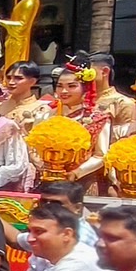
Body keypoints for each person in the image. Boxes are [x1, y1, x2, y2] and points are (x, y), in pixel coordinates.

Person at [49, 53, 111, 184]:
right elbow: (32, 147)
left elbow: (101, 155)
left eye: (71, 86)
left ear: (85, 88)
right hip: (46, 176)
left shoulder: (98, 118)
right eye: (60, 86)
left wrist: (77, 172)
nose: (64, 91)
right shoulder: (46, 115)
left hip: (82, 180)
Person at [89, 53, 136, 137]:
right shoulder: (76, 100)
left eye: (87, 72)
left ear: (104, 72)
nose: (81, 76)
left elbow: (127, 137)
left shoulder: (123, 103)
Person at [0, 61, 52, 132]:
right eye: (8, 78)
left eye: (18, 78)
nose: (11, 82)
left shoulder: (41, 109)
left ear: (32, 82)